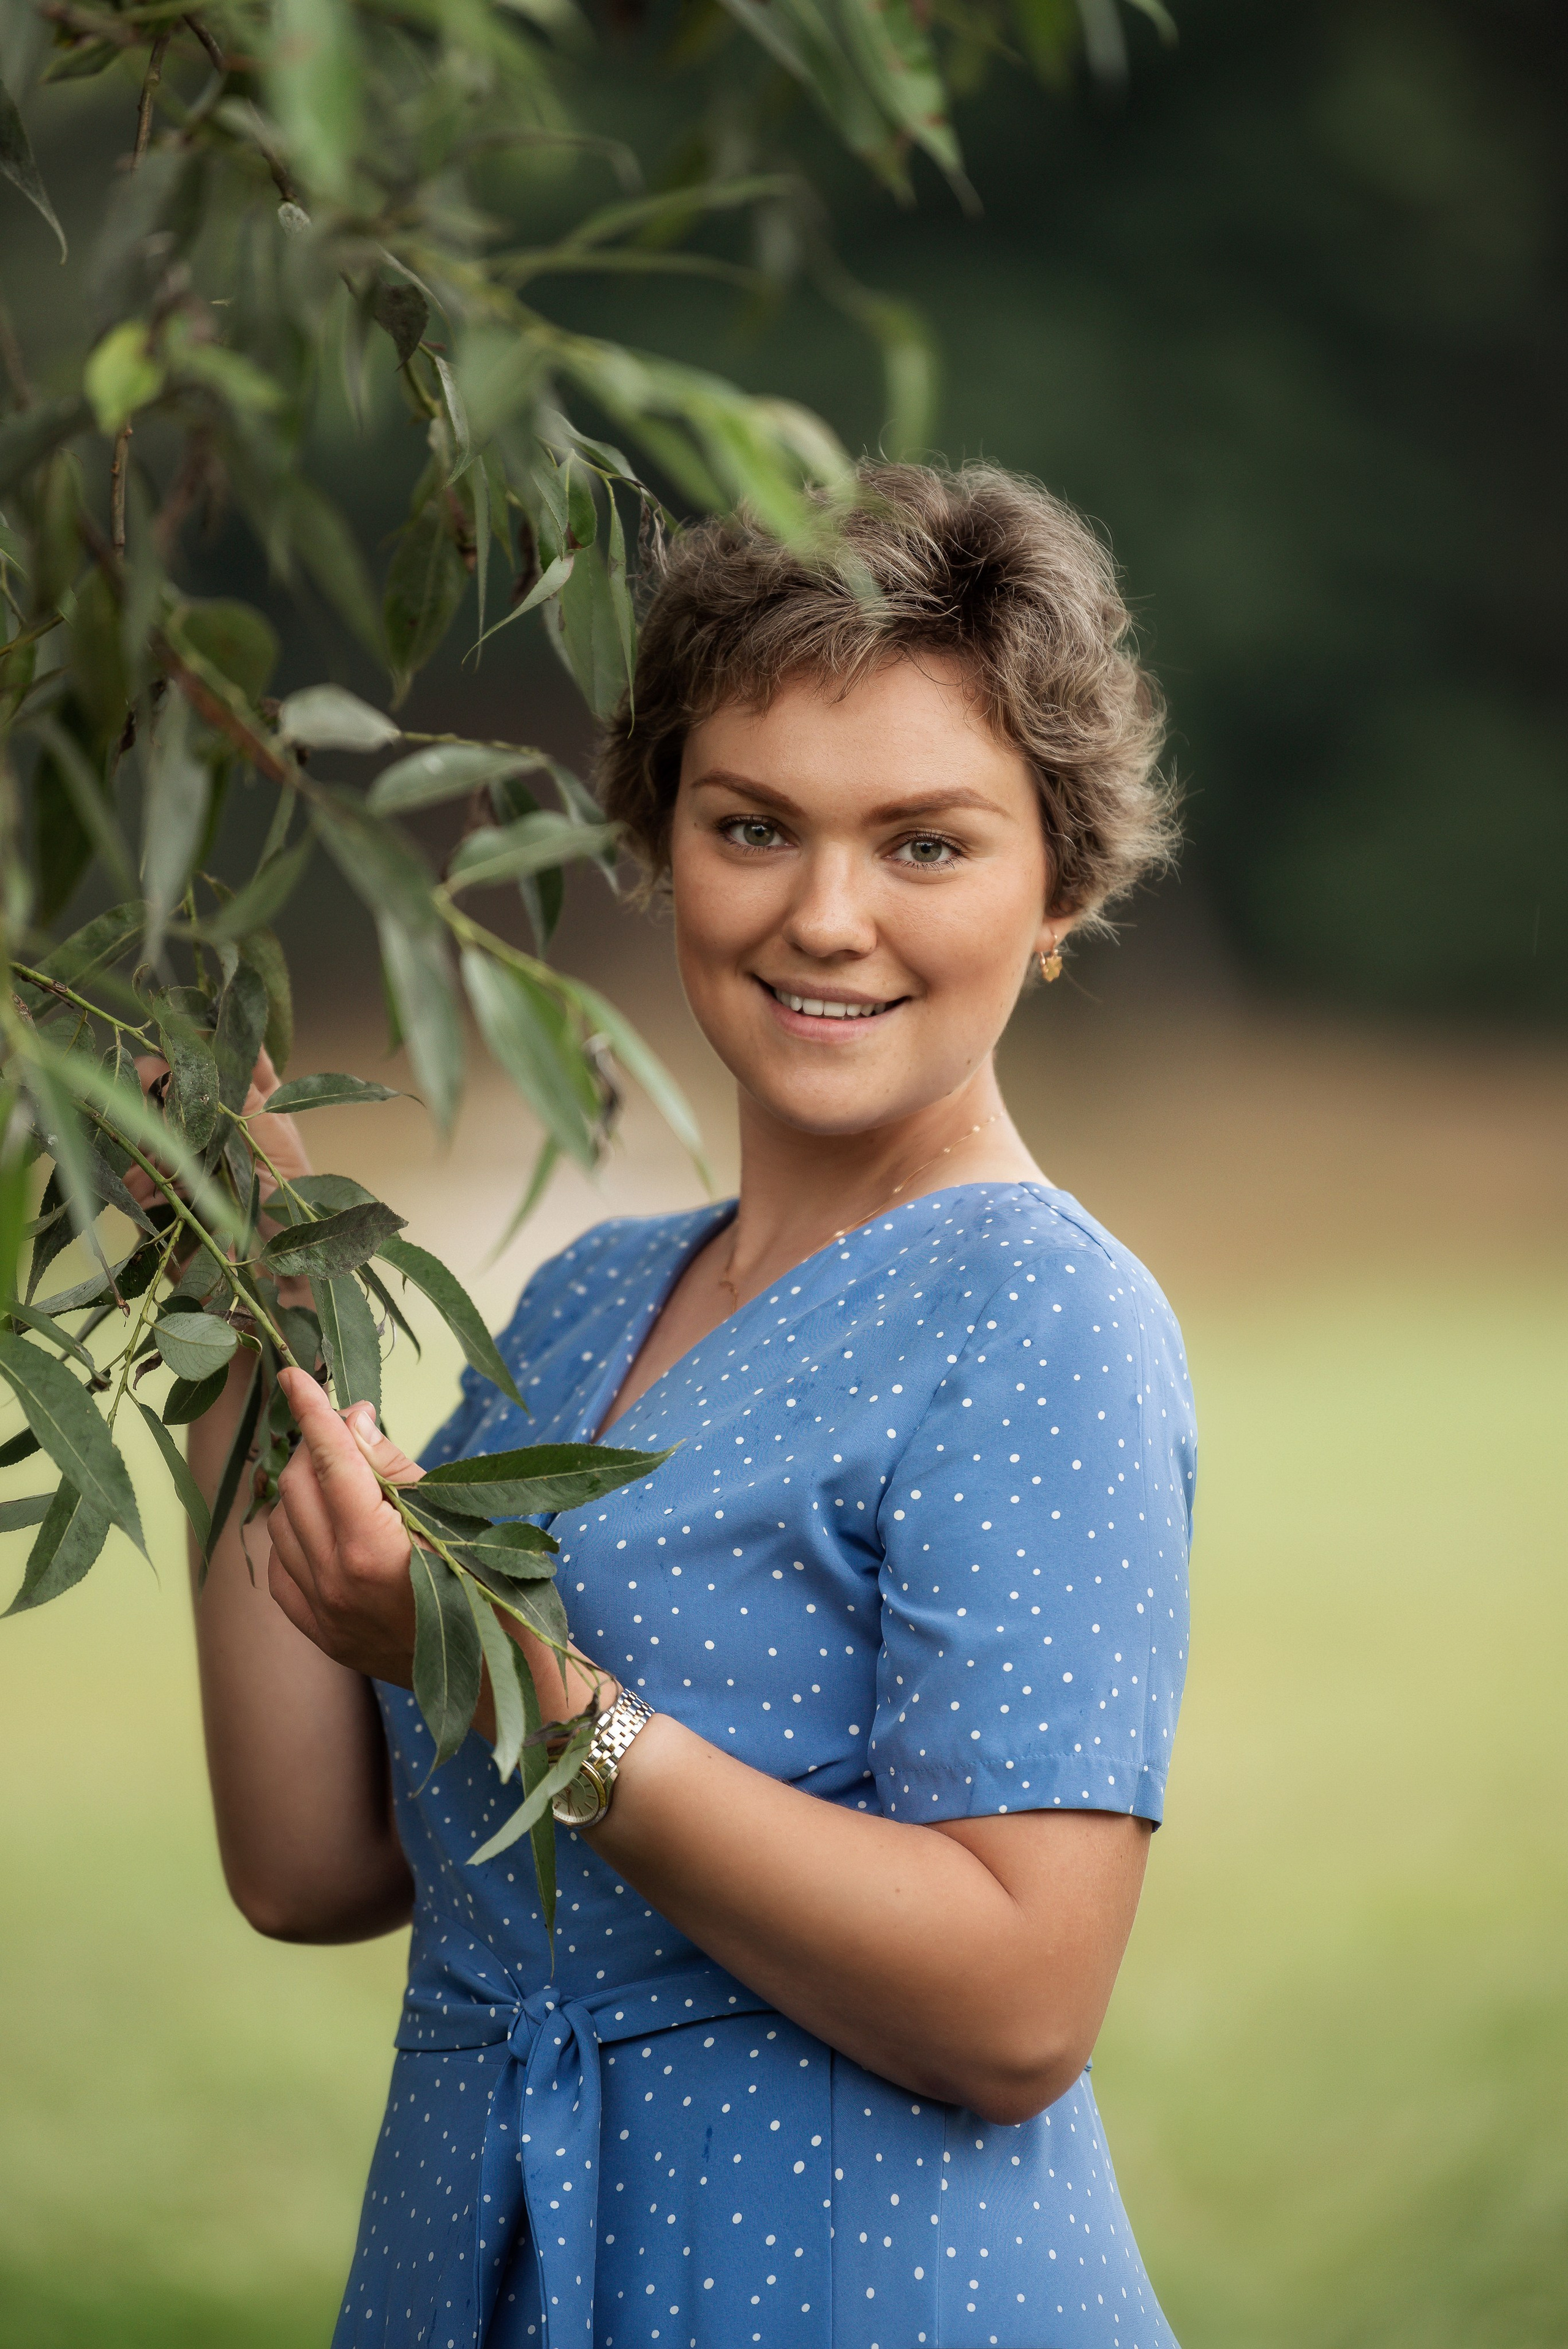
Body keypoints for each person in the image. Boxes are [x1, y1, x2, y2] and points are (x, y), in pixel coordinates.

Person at [189, 462, 1196, 2349]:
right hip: (486, 2260)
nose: (826, 915)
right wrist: (248, 1290)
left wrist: (514, 1675)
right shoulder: (582, 1302)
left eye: (926, 843)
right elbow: (311, 1863)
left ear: (1061, 884)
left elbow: (1019, 2004)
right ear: (661, 844)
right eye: (755, 826)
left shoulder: (1044, 1318)